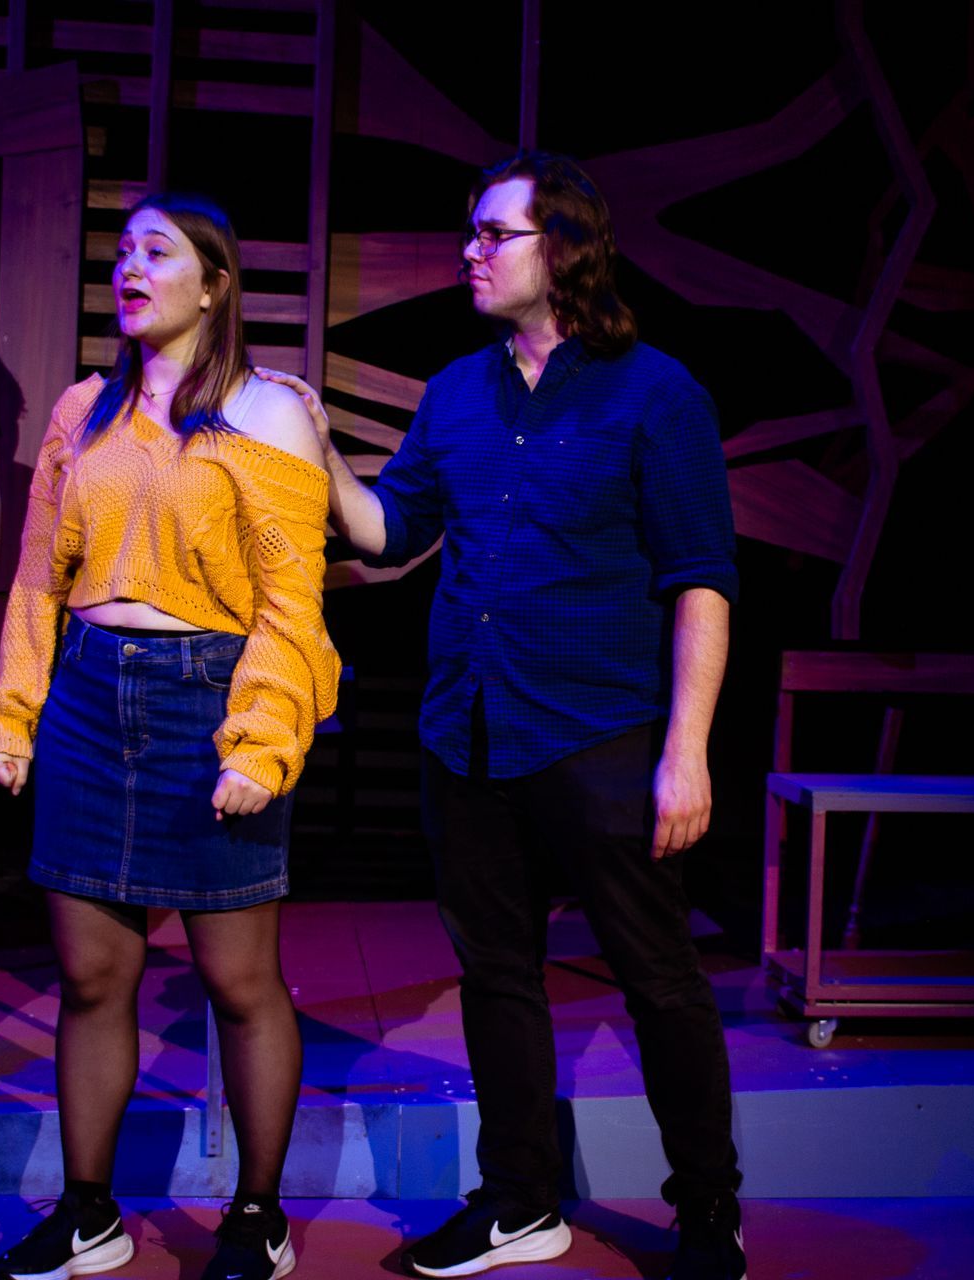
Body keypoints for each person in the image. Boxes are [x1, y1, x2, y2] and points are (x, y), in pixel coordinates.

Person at [258, 151, 745, 1280]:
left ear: (561, 250)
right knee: (498, 975)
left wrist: (687, 751)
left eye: (493, 234)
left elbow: (702, 580)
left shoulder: (657, 393)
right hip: (469, 732)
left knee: (659, 979)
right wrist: (321, 451)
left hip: (602, 732)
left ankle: (708, 1210)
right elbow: (391, 532)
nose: (468, 251)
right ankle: (521, 1200)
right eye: (469, 232)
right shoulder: (455, 393)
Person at [0, 192, 337, 1280]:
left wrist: (261, 739)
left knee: (238, 980)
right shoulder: (84, 410)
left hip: (206, 701)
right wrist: (15, 709)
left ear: (215, 285)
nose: (130, 267)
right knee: (92, 975)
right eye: (124, 250)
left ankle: (257, 1216)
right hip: (89, 699)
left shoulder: (267, 412)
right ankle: (90, 1210)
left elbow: (291, 606)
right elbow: (38, 577)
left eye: (159, 251)